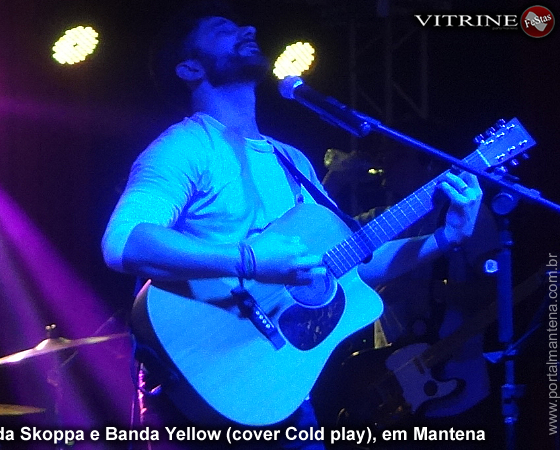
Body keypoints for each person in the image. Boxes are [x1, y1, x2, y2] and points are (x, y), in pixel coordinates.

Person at [101, 2, 482, 449]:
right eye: (223, 28)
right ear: (190, 68)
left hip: (281, 394)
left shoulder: (292, 161)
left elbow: (350, 268)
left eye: (242, 23)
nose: (248, 27)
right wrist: (250, 260)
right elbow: (123, 241)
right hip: (203, 390)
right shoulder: (185, 147)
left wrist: (443, 238)